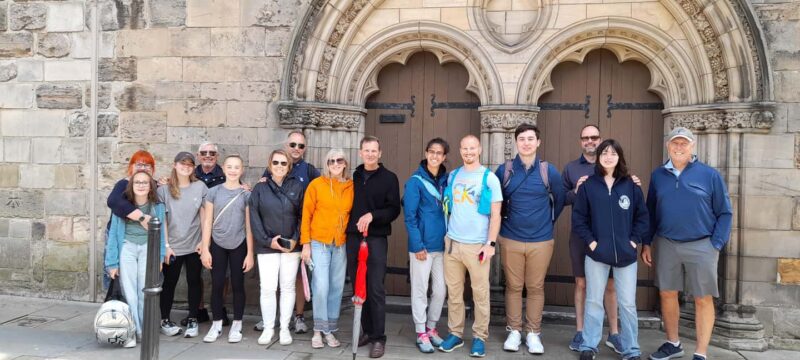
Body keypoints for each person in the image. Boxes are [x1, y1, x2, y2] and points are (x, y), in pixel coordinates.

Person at [642, 127, 732, 360]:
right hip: (666, 243)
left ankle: (700, 353)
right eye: (675, 143)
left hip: (702, 245)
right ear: (668, 146)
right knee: (667, 293)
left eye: (684, 143)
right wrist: (647, 242)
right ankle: (673, 344)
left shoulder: (709, 175)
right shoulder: (658, 175)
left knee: (703, 298)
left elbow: (725, 212)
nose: (679, 147)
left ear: (693, 146)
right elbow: (651, 211)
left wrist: (716, 244)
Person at [572, 139, 649, 360]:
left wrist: (633, 241)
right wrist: (592, 242)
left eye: (613, 153)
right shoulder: (588, 185)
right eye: (604, 153)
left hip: (626, 256)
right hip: (596, 255)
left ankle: (631, 348)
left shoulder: (631, 186)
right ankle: (589, 345)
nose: (608, 156)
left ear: (619, 157)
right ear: (598, 157)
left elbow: (642, 218)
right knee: (594, 301)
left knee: (627, 304)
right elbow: (579, 219)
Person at [494, 123, 566, 354]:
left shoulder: (549, 171)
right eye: (522, 139)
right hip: (511, 238)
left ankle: (533, 333)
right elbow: (495, 202)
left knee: (535, 287)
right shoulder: (504, 170)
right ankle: (514, 331)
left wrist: (548, 222)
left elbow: (561, 199)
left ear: (538, 142)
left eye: (530, 139)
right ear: (516, 142)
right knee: (514, 287)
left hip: (541, 240)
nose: (526, 143)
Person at [438, 135, 503, 358]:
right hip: (453, 244)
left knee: (480, 293)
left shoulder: (489, 178)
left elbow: (496, 215)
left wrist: (490, 244)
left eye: (472, 148)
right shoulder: (453, 176)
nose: (468, 152)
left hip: (478, 247)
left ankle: (479, 337)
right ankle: (455, 333)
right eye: (464, 148)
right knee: (454, 293)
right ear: (460, 150)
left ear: (480, 150)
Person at [562, 125, 622, 353]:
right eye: (585, 137)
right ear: (581, 141)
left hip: (610, 235)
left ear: (601, 140)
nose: (590, 141)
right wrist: (575, 191)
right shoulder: (572, 168)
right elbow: (562, 198)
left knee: (610, 285)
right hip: (581, 235)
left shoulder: (613, 166)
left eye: (594, 137)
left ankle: (614, 333)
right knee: (582, 283)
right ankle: (581, 331)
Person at [256, 130, 320, 334]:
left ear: (305, 148)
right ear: (287, 145)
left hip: (299, 232)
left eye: (301, 146)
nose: (296, 149)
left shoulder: (309, 171)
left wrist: (302, 236)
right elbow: (262, 194)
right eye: (293, 144)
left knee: (298, 278)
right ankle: (273, 317)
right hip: (273, 235)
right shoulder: (274, 166)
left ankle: (299, 316)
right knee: (273, 278)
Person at [346, 136, 401, 358]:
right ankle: (366, 331)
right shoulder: (354, 176)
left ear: (380, 153)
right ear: (360, 152)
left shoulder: (389, 178)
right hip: (352, 238)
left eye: (374, 151)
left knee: (376, 288)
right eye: (366, 150)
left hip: (376, 239)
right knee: (358, 287)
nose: (370, 154)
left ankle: (379, 338)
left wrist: (373, 215)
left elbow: (394, 209)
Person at [104, 170, 167, 348]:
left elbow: (160, 234)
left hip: (148, 249)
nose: (141, 185)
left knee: (143, 291)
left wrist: (160, 256)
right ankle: (132, 331)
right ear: (131, 185)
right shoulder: (123, 207)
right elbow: (114, 235)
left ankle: (145, 330)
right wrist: (112, 262)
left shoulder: (157, 207)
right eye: (137, 182)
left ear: (150, 186)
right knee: (129, 292)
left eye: (145, 182)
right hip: (127, 248)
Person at [300, 148, 354, 349]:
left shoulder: (351, 186)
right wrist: (305, 244)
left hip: (340, 243)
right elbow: (306, 215)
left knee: (336, 288)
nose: (336, 164)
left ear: (345, 163)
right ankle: (317, 330)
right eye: (331, 161)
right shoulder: (317, 185)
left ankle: (329, 330)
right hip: (319, 242)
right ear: (327, 164)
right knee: (321, 287)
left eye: (339, 160)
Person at [250, 150, 305, 346]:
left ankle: (284, 328)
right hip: (267, 246)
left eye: (283, 163)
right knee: (268, 288)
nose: (279, 166)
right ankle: (268, 328)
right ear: (269, 164)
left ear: (289, 166)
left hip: (291, 247)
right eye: (276, 162)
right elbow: (254, 217)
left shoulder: (298, 187)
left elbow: (302, 216)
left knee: (288, 287)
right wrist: (267, 240)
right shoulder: (259, 188)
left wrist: (294, 240)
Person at [199, 155, 255, 343]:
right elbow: (207, 222)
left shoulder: (246, 194)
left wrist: (250, 253)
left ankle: (237, 325)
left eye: (236, 167)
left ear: (242, 170)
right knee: (217, 284)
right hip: (217, 243)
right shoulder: (213, 192)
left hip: (239, 243)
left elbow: (249, 226)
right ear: (223, 168)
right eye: (229, 167)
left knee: (238, 284)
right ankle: (216, 323)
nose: (232, 170)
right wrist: (205, 249)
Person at [403, 138, 449, 353]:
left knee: (440, 291)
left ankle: (431, 328)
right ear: (426, 153)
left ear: (444, 156)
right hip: (422, 247)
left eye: (439, 153)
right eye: (431, 152)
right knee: (420, 291)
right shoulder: (415, 181)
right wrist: (417, 245)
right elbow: (410, 217)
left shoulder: (447, 180)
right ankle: (421, 332)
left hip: (442, 246)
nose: (435, 156)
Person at [157, 152, 209, 339]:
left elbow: (204, 215)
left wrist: (204, 241)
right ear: (174, 165)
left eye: (189, 164)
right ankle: (164, 319)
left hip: (194, 244)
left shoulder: (200, 187)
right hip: (173, 246)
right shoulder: (164, 189)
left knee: (194, 281)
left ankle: (193, 318)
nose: (186, 167)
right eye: (182, 163)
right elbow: (161, 217)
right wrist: (166, 245)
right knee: (169, 283)